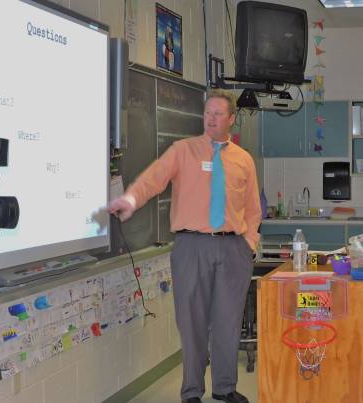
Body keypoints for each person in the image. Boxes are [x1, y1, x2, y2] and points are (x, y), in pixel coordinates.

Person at [109, 90, 261, 403]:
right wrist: (131, 199)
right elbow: (154, 178)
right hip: (192, 246)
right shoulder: (183, 150)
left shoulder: (243, 160)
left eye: (218, 113)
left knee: (228, 321)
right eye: (207, 112)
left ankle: (224, 387)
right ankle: (191, 390)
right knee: (190, 321)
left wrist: (249, 243)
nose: (211, 118)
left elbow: (253, 209)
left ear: (231, 119)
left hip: (233, 248)